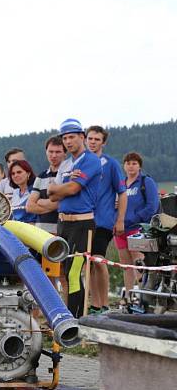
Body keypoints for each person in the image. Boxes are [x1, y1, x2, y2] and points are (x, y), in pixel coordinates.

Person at [47, 118, 102, 317]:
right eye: (65, 138)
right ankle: (69, 314)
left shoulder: (91, 160)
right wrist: (57, 188)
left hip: (82, 225)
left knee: (73, 271)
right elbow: (52, 194)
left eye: (72, 137)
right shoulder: (66, 164)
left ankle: (75, 317)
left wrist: (60, 187)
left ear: (82, 137)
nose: (68, 141)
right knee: (62, 270)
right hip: (63, 223)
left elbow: (73, 188)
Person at [85, 125, 127, 314]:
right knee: (90, 264)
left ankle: (104, 304)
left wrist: (120, 220)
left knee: (100, 261)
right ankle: (95, 304)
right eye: (90, 138)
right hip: (84, 220)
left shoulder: (110, 164)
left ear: (103, 142)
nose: (92, 142)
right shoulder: (82, 162)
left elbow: (122, 193)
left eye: (97, 139)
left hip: (103, 221)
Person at [116, 152, 159, 295]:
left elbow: (152, 206)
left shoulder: (146, 182)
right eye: (128, 163)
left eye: (134, 163)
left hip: (138, 229)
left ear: (140, 166)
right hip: (120, 230)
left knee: (139, 264)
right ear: (124, 166)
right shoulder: (120, 183)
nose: (131, 166)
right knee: (125, 265)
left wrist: (134, 218)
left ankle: (143, 296)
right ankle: (128, 297)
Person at [26, 136, 66, 234]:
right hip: (42, 233)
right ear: (46, 152)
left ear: (65, 153)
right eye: (51, 151)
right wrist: (53, 205)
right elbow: (29, 206)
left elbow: (63, 204)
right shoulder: (41, 176)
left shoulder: (68, 174)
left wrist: (40, 202)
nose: (54, 155)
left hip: (62, 231)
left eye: (58, 152)